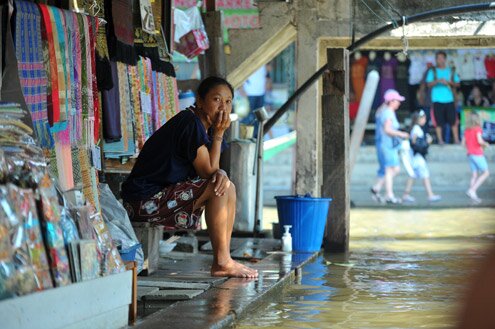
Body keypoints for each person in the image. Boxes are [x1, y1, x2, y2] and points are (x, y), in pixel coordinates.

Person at [121, 77, 258, 278]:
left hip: (156, 196)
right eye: (217, 99)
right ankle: (222, 262)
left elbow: (214, 172)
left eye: (228, 101)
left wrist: (221, 170)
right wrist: (219, 135)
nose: (223, 107)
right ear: (200, 101)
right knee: (220, 186)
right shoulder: (190, 123)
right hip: (143, 200)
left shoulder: (200, 124)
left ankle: (224, 258)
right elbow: (209, 173)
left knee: (227, 186)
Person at [371, 89, 409, 204]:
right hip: (387, 145)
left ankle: (376, 188)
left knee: (393, 169)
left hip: (387, 145)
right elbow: (387, 130)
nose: (399, 103)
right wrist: (401, 134)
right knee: (390, 170)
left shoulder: (386, 111)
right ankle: (389, 195)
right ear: (391, 101)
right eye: (397, 100)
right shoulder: (388, 112)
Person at [402, 110, 442, 203]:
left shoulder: (416, 128)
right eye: (423, 118)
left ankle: (406, 195)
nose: (425, 120)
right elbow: (414, 141)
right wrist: (427, 142)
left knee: (413, 175)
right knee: (425, 175)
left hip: (416, 156)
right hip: (418, 156)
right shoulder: (417, 128)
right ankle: (430, 195)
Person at [426, 51, 461, 145]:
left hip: (449, 100)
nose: (440, 60)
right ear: (436, 60)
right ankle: (440, 140)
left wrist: (449, 83)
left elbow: (458, 84)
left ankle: (457, 140)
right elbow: (428, 84)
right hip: (437, 100)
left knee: (453, 120)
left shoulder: (451, 70)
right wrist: (437, 81)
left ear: (445, 59)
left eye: (442, 58)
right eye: (438, 58)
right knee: (438, 121)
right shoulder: (432, 71)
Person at [463, 111, 490, 204]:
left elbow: (463, 143)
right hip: (477, 154)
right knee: (486, 173)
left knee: (474, 174)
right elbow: (479, 141)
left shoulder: (466, 130)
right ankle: (472, 190)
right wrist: (485, 144)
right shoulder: (477, 129)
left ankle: (472, 195)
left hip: (470, 154)